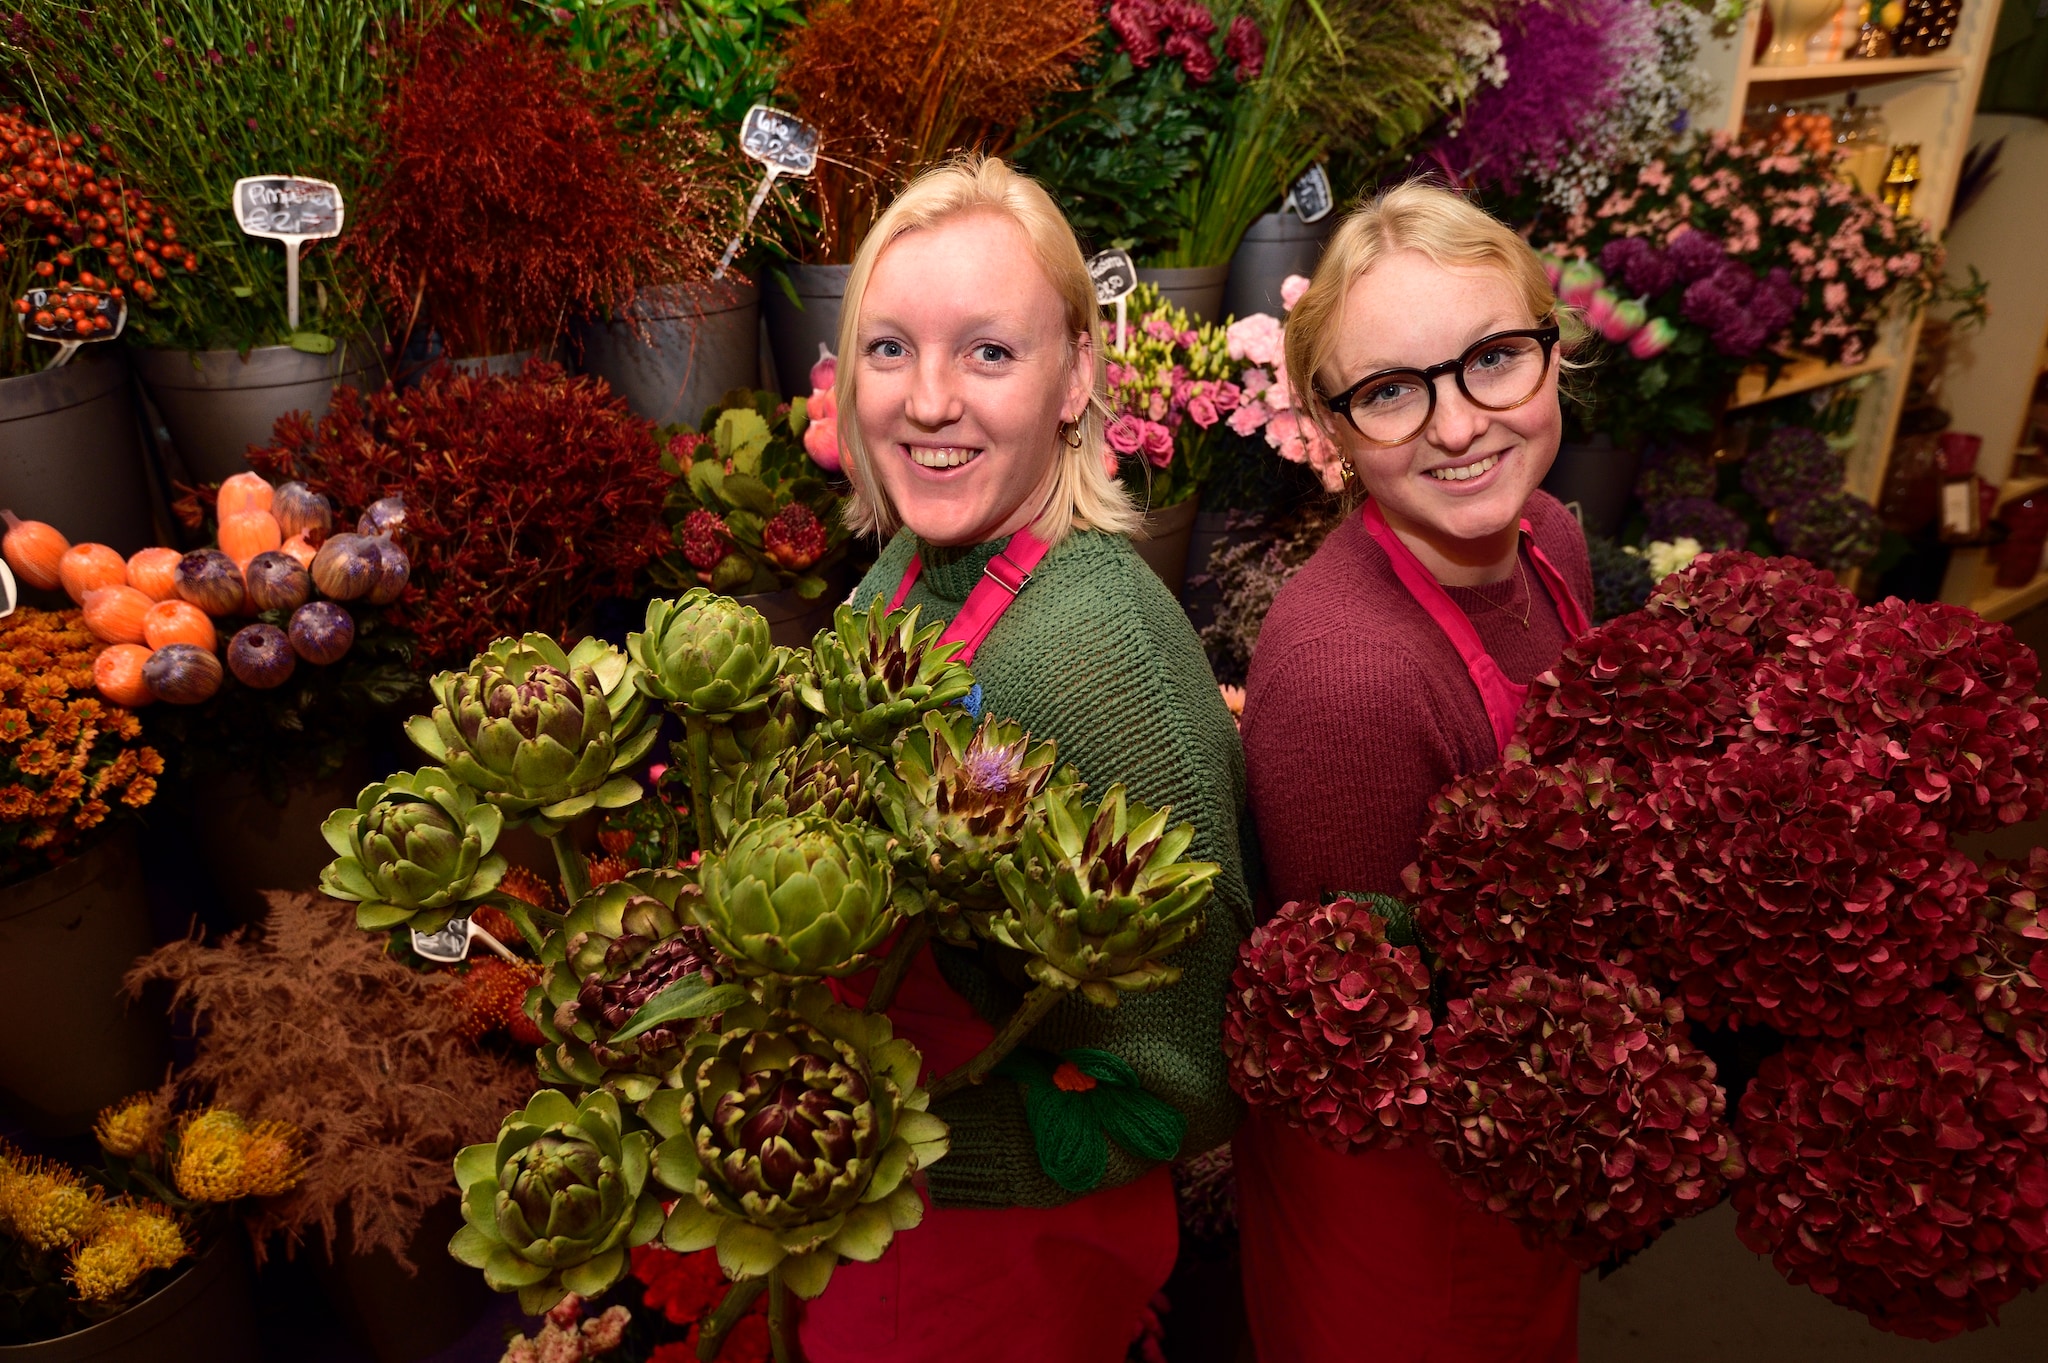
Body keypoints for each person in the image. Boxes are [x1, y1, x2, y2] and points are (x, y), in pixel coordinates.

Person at [796, 155, 1253, 1363]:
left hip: (1002, 1271)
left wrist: (910, 1148)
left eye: (987, 352)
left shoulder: (1095, 656)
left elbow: (1185, 1079)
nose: (928, 400)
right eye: (889, 348)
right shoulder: (904, 566)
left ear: (1077, 378)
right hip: (873, 1227)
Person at [1234, 182, 1595, 1362]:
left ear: (1553, 353)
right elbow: (1365, 1049)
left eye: (1492, 357)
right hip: (1405, 1199)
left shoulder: (1551, 536)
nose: (1455, 426)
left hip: (1530, 1144)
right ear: (1331, 430)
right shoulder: (1350, 675)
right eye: (1389, 392)